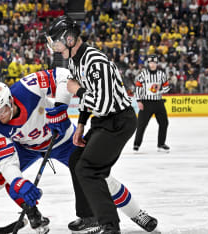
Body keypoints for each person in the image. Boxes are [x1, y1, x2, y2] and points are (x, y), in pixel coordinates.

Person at [0, 68, 157, 234]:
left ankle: (137, 214)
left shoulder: (26, 86)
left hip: (62, 139)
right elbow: (6, 161)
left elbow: (63, 75)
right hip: (26, 148)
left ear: (9, 99)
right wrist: (19, 182)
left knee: (97, 176)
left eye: (1, 109)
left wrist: (60, 106)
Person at [46, 16, 157, 233]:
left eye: (57, 42)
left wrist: (76, 90)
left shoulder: (95, 61)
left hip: (118, 121)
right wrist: (80, 125)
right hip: (104, 120)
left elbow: (102, 104)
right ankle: (90, 217)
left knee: (89, 170)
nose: (56, 48)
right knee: (76, 159)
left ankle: (109, 225)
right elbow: (90, 101)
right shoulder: (74, 61)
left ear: (69, 39)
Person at [133, 55, 171, 152]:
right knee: (141, 125)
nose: (152, 64)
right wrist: (138, 101)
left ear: (157, 64)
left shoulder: (162, 74)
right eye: (151, 63)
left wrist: (161, 88)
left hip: (158, 102)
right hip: (146, 103)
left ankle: (161, 144)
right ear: (148, 64)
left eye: (154, 63)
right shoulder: (143, 74)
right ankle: (136, 144)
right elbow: (138, 88)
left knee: (164, 123)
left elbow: (167, 87)